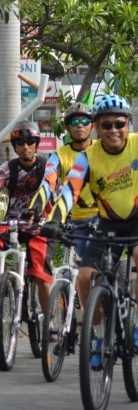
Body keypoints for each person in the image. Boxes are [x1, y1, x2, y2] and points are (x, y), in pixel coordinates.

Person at [41, 70, 138, 353]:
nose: (113, 130)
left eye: (119, 124)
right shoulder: (87, 157)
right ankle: (100, 336)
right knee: (86, 278)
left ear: (127, 124)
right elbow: (70, 189)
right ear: (96, 128)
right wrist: (55, 218)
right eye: (106, 125)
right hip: (108, 224)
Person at [30, 103, 98, 258]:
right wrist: (35, 208)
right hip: (73, 220)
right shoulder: (58, 155)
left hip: (101, 218)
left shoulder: (102, 149)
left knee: (99, 269)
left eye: (85, 122)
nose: (80, 126)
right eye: (75, 122)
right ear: (67, 128)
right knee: (70, 272)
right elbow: (48, 182)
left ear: (93, 126)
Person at [0, 121, 53, 313]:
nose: (25, 147)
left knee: (41, 276)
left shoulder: (47, 167)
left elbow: (57, 192)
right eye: (20, 143)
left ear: (37, 144)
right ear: (14, 146)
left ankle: (49, 323)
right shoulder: (7, 169)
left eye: (30, 141)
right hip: (10, 223)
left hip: (37, 224)